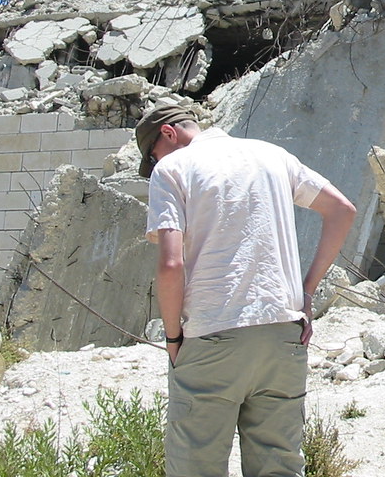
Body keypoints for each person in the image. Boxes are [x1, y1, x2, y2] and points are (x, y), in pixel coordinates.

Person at [135, 104, 357, 477]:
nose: (156, 164)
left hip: (211, 336)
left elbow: (171, 265)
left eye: (153, 156)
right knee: (279, 465)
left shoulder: (173, 170)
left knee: (196, 466)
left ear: (168, 135)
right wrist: (305, 291)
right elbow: (342, 210)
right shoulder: (273, 156)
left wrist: (173, 336)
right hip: (283, 335)